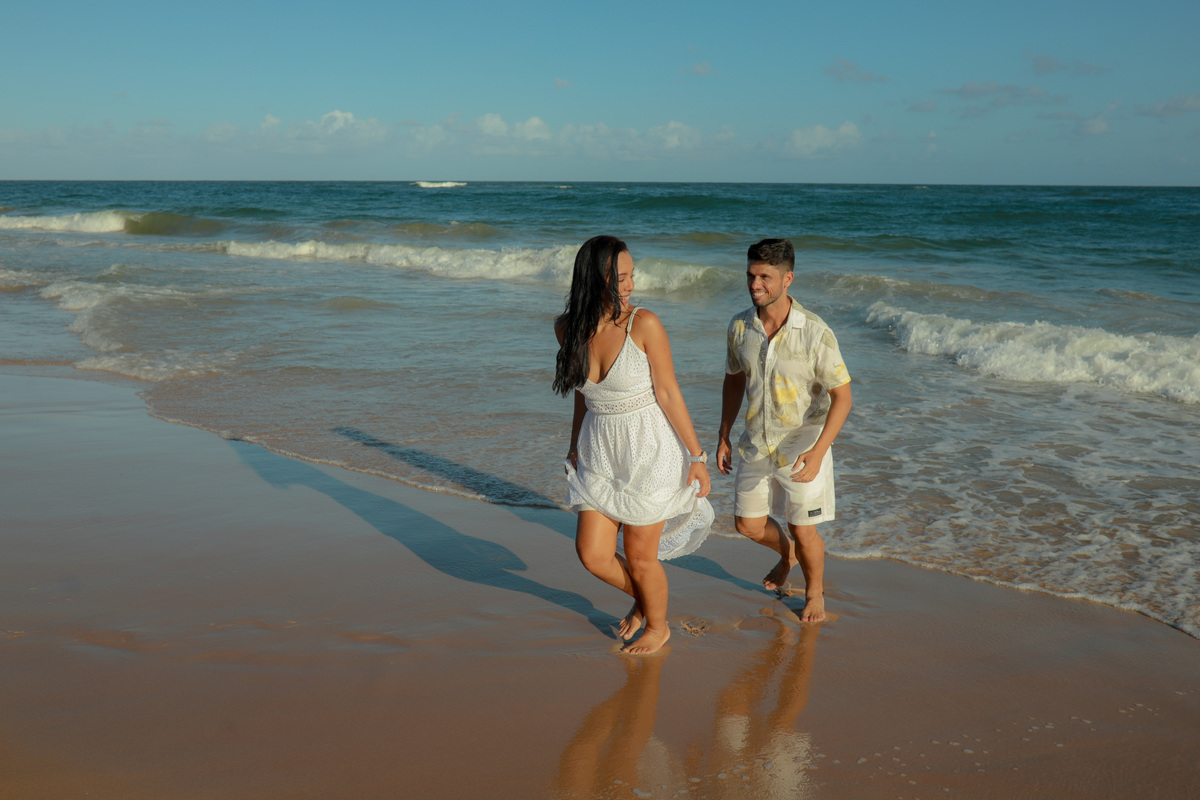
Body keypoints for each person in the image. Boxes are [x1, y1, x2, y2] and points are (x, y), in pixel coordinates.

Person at [554, 235, 714, 655]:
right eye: (620, 277)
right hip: (599, 449)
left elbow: (668, 391)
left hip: (650, 450)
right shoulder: (567, 328)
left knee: (642, 558)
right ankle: (646, 600)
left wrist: (696, 457)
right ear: (596, 278)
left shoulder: (644, 324)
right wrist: (574, 444)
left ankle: (658, 626)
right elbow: (581, 394)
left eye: (630, 276)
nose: (629, 285)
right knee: (592, 554)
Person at [716, 238, 852, 623]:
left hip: (803, 443)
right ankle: (785, 555)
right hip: (755, 443)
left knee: (803, 528)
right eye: (750, 275)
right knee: (747, 524)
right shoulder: (739, 327)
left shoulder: (814, 333)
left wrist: (820, 450)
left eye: (765, 277)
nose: (755, 285)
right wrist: (724, 434)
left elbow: (843, 398)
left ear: (787, 278)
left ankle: (814, 595)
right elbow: (733, 381)